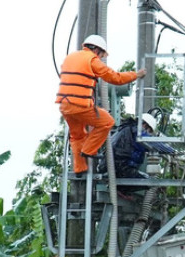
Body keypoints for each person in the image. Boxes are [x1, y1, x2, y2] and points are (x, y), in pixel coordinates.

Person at [55, 34, 146, 175]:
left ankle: (80, 168)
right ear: (96, 49)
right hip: (80, 105)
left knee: (77, 135)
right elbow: (115, 78)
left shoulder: (70, 57)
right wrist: (136, 75)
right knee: (107, 122)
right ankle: (88, 150)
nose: (101, 58)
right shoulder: (92, 60)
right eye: (102, 54)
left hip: (65, 105)